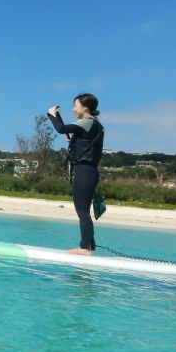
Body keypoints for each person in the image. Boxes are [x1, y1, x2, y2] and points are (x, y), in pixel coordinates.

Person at [47, 93, 105, 255]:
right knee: (84, 211)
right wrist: (75, 141)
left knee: (82, 211)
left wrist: (51, 114)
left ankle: (85, 248)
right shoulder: (94, 124)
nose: (73, 109)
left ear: (85, 107)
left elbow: (61, 129)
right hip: (88, 171)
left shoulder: (87, 122)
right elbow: (83, 140)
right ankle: (89, 246)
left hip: (85, 171)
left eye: (75, 105)